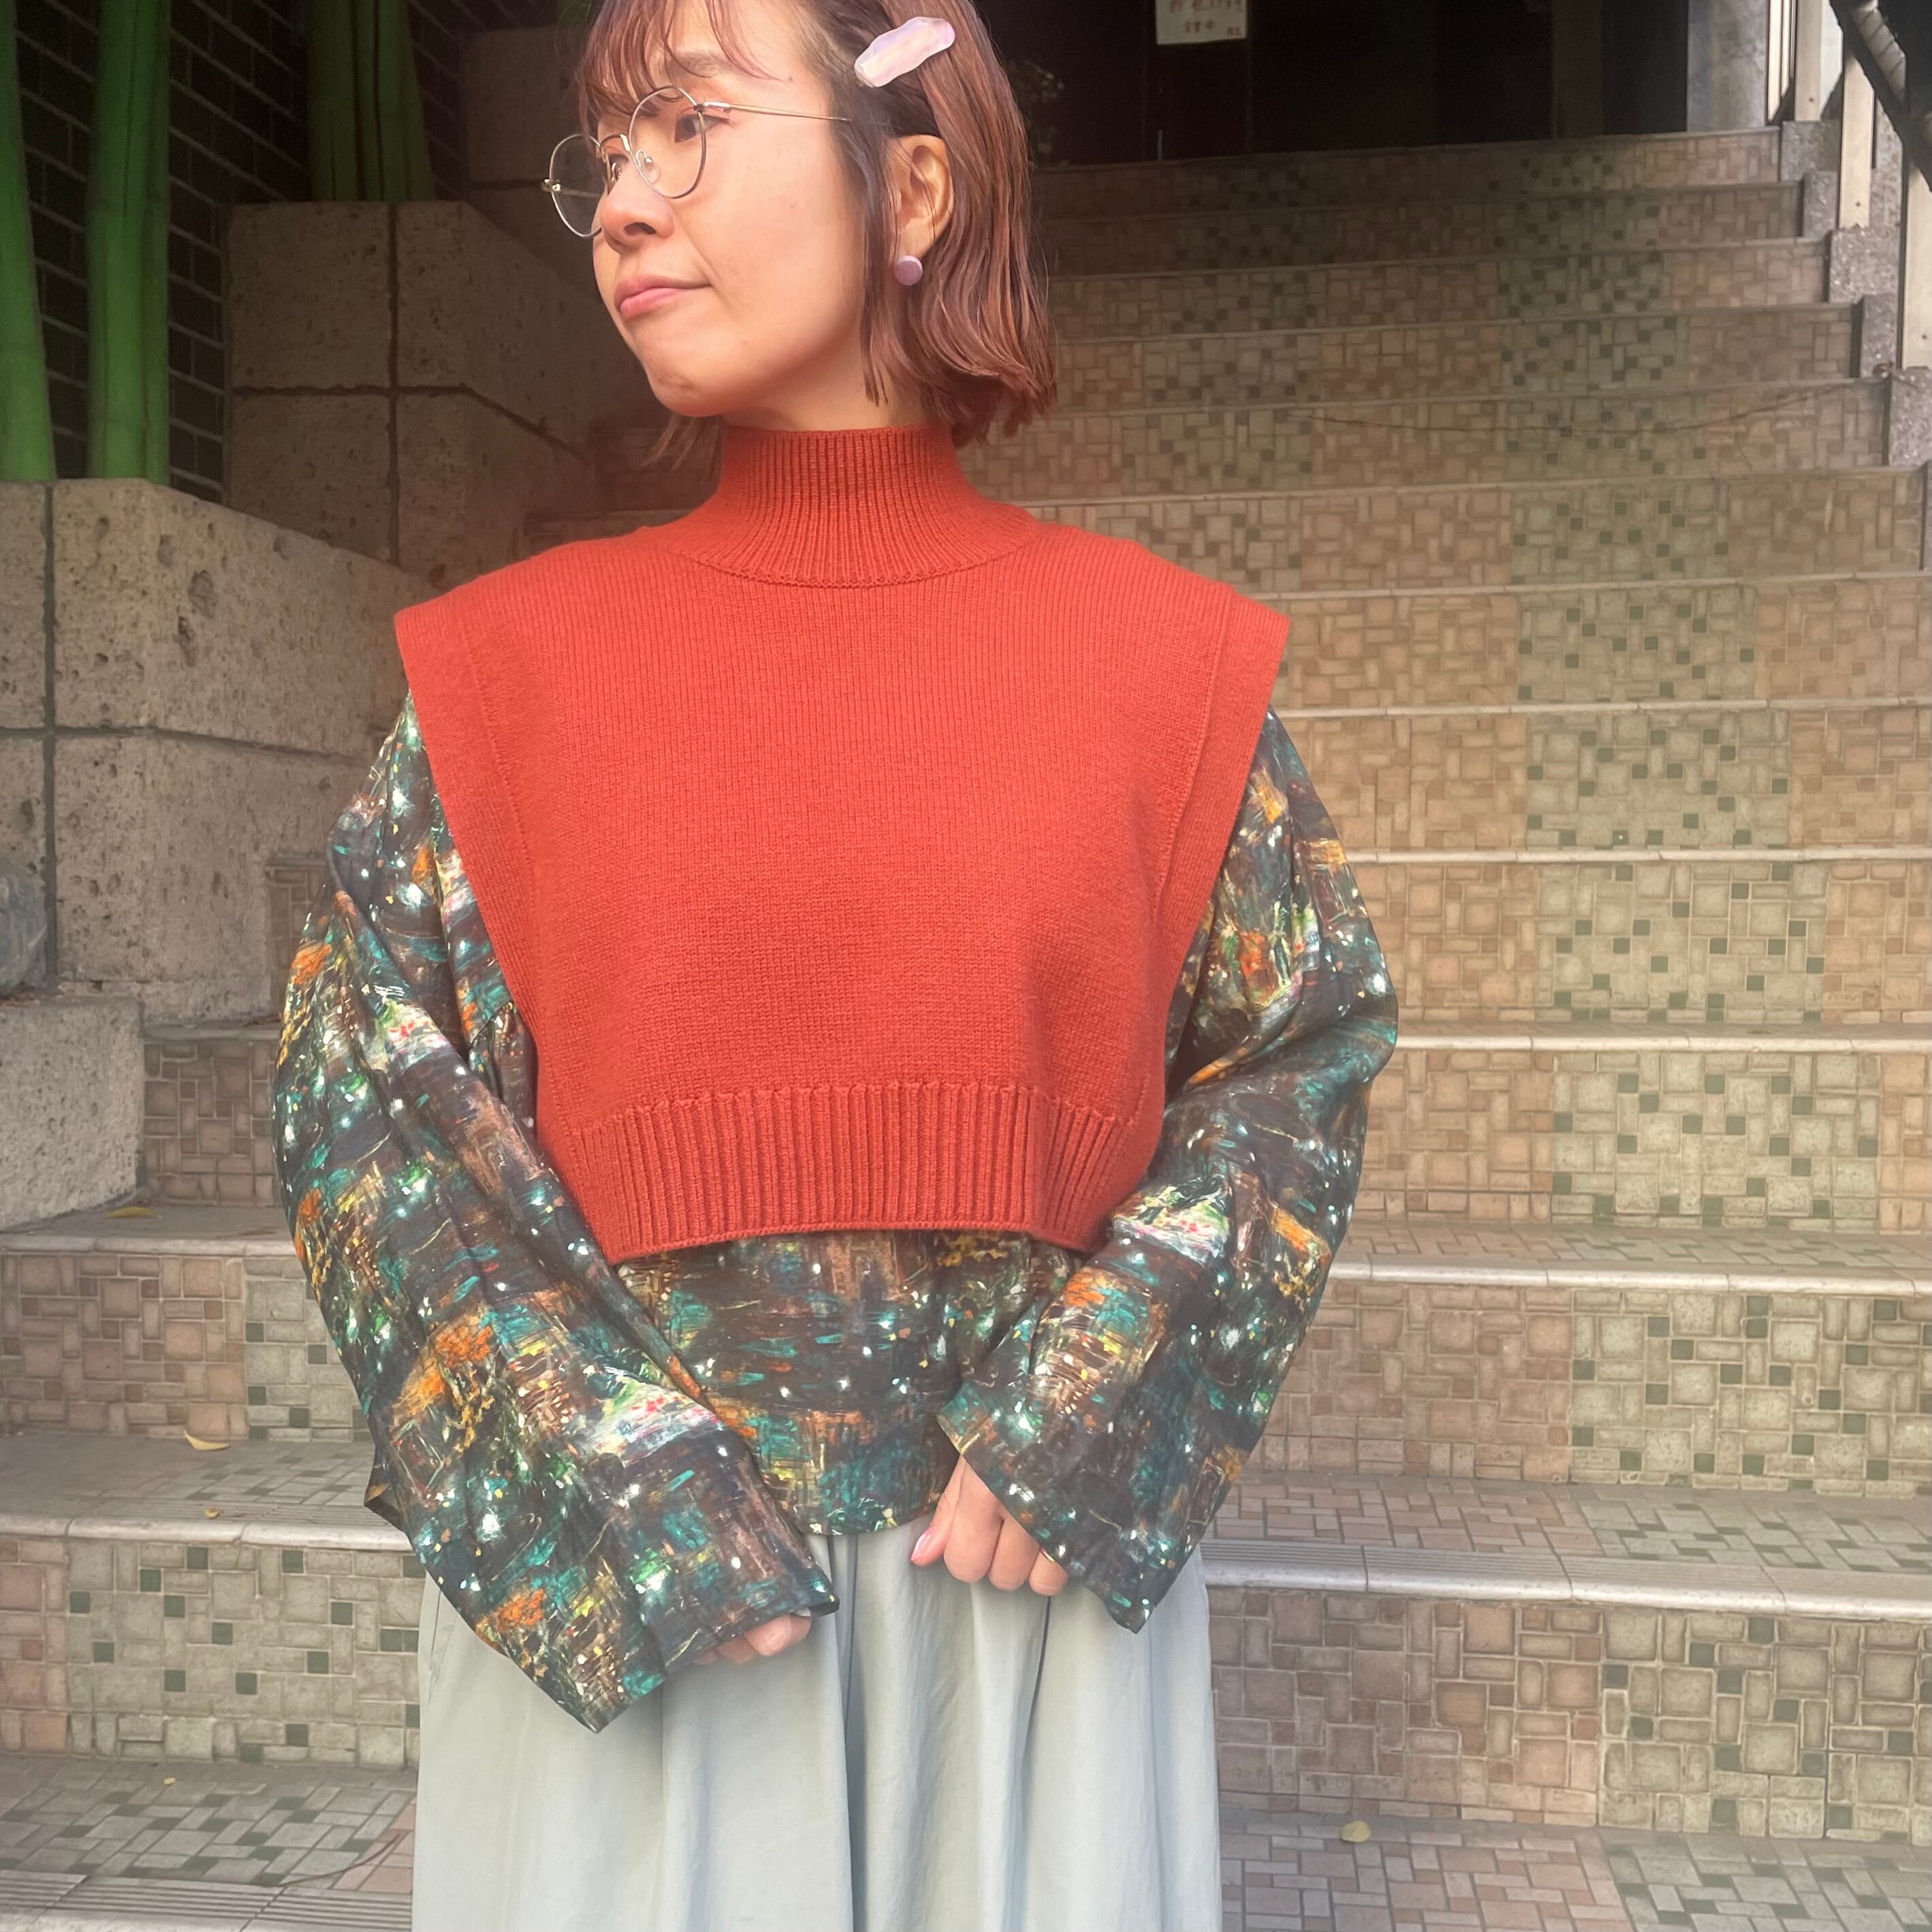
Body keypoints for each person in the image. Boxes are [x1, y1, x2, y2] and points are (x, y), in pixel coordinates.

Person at [270, 2, 1399, 1927]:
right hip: (647, 1635)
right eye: (608, 152)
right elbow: (359, 1103)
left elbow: (1300, 1050)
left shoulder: (1163, 670)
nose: (626, 203)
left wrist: (1089, 1420)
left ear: (918, 189)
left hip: (1025, 1607)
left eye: (691, 126)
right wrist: (619, 1489)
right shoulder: (499, 677)